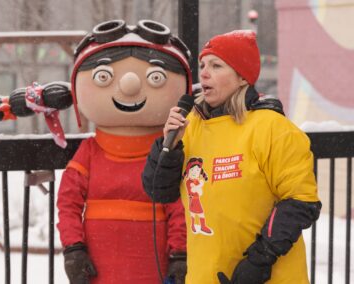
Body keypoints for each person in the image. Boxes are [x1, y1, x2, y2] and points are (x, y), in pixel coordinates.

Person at [142, 30, 322, 284]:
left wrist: (259, 261)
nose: (204, 73)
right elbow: (158, 190)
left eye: (216, 66)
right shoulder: (191, 124)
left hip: (264, 275)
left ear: (241, 77)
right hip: (205, 275)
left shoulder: (273, 128)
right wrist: (169, 145)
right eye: (203, 65)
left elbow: (301, 202)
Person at [56, 20, 192, 284]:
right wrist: (73, 247)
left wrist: (179, 253)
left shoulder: (168, 151)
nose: (129, 86)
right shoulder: (90, 152)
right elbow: (68, 202)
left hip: (152, 259)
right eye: (103, 77)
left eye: (156, 78)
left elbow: (180, 205)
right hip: (98, 261)